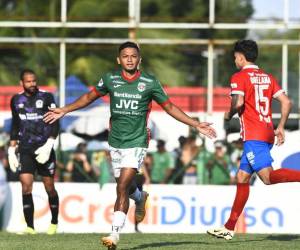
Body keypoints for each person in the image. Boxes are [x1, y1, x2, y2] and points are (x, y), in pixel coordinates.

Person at [44, 41, 216, 249]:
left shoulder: (150, 82)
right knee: (124, 185)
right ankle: (140, 197)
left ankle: (114, 234)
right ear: (119, 59)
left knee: (121, 186)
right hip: (116, 140)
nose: (129, 59)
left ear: (139, 59)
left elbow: (169, 106)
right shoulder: (110, 79)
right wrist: (65, 109)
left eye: (133, 56)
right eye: (125, 56)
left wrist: (195, 124)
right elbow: (90, 96)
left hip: (137, 140)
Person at [207, 39, 300, 240]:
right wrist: (281, 126)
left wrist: (228, 114)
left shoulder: (239, 77)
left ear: (240, 57)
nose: (235, 61)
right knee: (242, 178)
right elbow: (287, 102)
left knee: (267, 177)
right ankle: (229, 227)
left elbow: (238, 101)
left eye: (235, 57)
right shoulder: (267, 77)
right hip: (266, 132)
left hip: (253, 135)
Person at [8, 69, 59, 235]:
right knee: (26, 187)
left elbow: (56, 122)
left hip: (45, 148)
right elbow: (15, 124)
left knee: (49, 188)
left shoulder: (47, 97)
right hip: (25, 149)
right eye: (28, 81)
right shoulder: (16, 100)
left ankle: (54, 222)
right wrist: (11, 148)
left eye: (34, 80)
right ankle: (30, 227)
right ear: (21, 83)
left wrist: (49, 144)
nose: (32, 84)